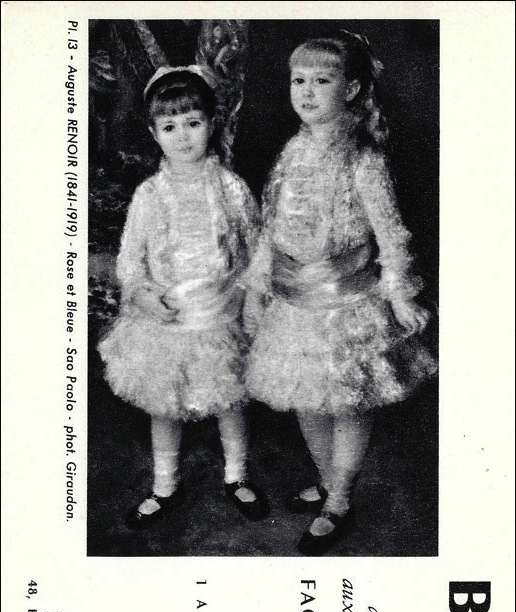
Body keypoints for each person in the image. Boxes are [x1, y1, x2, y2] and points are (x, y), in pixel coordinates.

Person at [245, 33, 437, 555]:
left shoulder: (363, 158)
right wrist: (258, 288)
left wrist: (399, 294)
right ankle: (328, 480)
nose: (306, 92)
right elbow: (269, 228)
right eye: (298, 81)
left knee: (348, 403)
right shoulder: (292, 151)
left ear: (350, 89)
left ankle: (340, 499)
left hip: (348, 304)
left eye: (321, 81)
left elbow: (391, 234)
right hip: (295, 302)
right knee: (308, 401)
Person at [99, 66, 268, 529]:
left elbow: (257, 250)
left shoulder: (232, 188)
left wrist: (250, 296)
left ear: (212, 124)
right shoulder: (149, 194)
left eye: (193, 122)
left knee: (230, 399)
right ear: (154, 134)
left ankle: (237, 475)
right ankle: (164, 484)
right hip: (167, 318)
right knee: (165, 405)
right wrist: (141, 294)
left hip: (221, 313)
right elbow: (129, 260)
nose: (183, 136)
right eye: (169, 126)